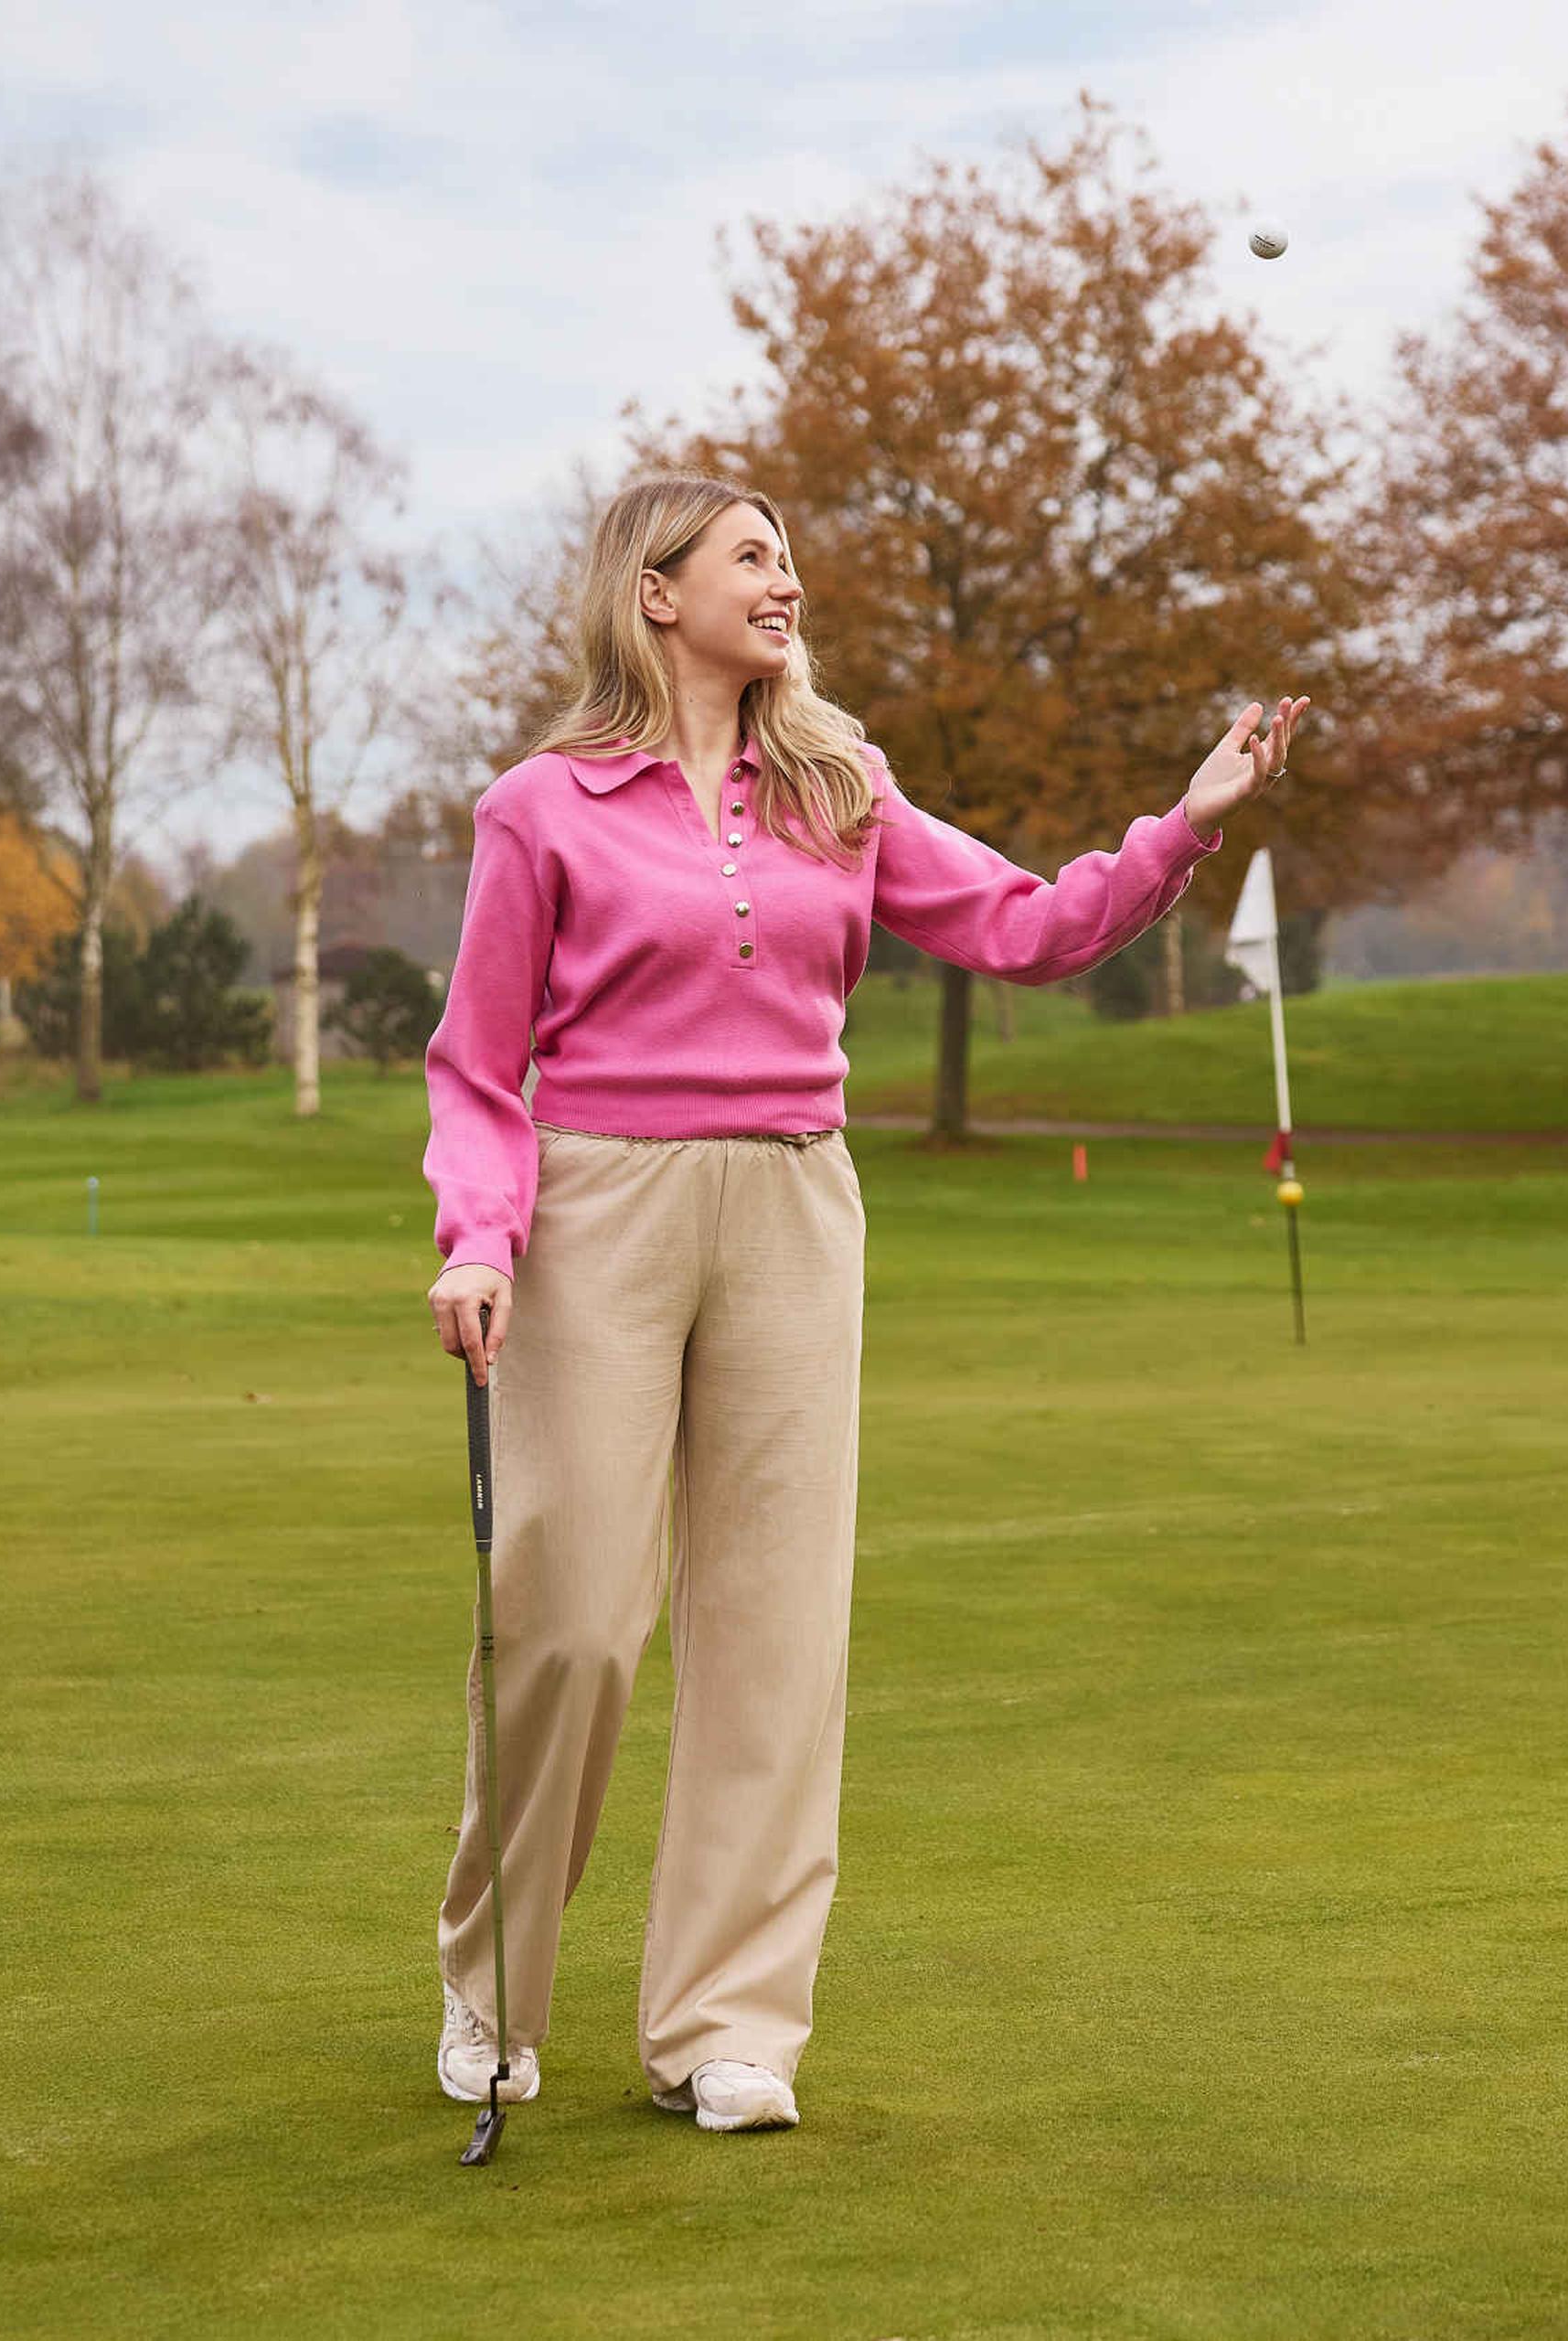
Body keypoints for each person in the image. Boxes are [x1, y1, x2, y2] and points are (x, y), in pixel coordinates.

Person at [418, 472, 1306, 2134]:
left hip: (797, 1207)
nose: (788, 579)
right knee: (576, 1621)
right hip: (599, 1209)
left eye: (790, 556)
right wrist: (480, 1235)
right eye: (752, 556)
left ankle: (726, 2029)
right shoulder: (539, 807)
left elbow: (1028, 930)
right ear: (655, 592)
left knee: (774, 1627)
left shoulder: (840, 785)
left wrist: (1182, 822)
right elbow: (478, 1067)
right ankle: (494, 1983)